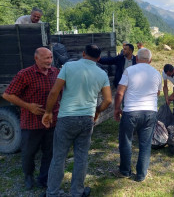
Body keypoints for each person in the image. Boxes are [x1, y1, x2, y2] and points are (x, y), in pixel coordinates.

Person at [41, 44, 112, 197]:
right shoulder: (102, 74)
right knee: (81, 157)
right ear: (99, 58)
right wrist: (97, 111)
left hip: (66, 117)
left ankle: (52, 192)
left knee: (59, 156)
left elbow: (54, 92)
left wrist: (48, 112)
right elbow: (108, 100)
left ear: (83, 53)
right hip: (87, 119)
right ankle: (77, 192)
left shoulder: (68, 66)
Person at [2, 48, 59, 190]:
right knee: (28, 152)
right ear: (36, 59)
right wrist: (28, 106)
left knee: (50, 152)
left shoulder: (56, 72)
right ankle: (28, 176)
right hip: (31, 121)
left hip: (52, 121)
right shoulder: (25, 74)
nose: (49, 61)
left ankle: (43, 179)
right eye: (46, 58)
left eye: (51, 57)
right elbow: (7, 95)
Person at [113, 48, 162, 182]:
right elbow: (157, 93)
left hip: (131, 112)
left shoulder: (129, 71)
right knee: (145, 145)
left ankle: (124, 171)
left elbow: (119, 92)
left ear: (137, 58)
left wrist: (117, 109)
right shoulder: (157, 74)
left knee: (126, 141)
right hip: (150, 112)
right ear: (150, 60)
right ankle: (141, 175)